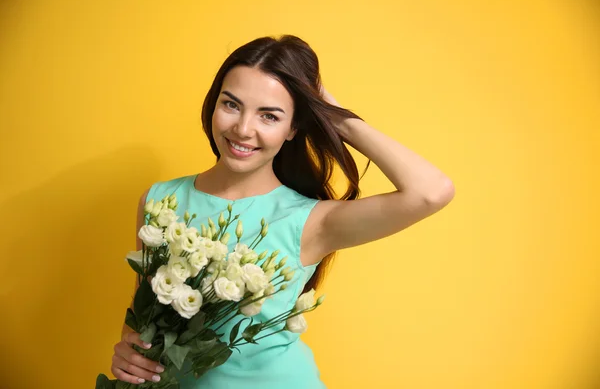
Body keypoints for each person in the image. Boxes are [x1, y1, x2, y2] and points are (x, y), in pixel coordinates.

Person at [109, 34, 455, 388]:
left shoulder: (311, 220)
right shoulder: (160, 200)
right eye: (231, 105)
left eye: (269, 116)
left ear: (293, 129)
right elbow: (145, 317)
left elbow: (431, 192)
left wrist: (336, 118)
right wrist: (128, 354)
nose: (243, 129)